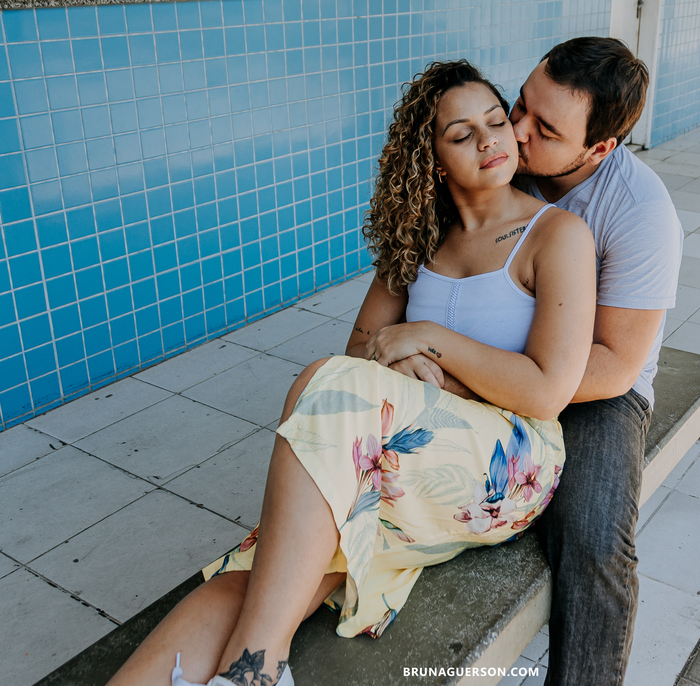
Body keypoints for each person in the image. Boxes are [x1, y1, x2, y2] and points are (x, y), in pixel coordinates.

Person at [105, 60, 598, 686]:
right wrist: (400, 359)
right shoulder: (419, 239)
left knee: (323, 386)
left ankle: (258, 672)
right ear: (433, 160)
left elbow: (547, 391)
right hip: (402, 444)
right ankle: (244, 673)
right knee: (267, 566)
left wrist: (429, 342)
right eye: (461, 134)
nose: (488, 140)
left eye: (497, 122)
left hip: (510, 462)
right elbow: (362, 347)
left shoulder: (556, 235)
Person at [512, 37, 683, 686]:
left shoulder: (640, 212)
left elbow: (615, 364)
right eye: (521, 105)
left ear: (598, 149)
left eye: (546, 129)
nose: (518, 132)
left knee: (594, 540)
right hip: (496, 357)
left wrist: (497, 385)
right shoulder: (502, 154)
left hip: (593, 388)